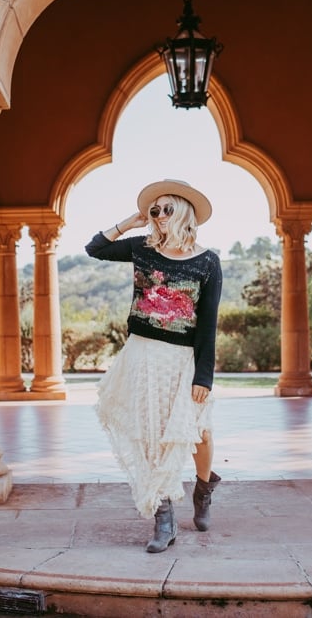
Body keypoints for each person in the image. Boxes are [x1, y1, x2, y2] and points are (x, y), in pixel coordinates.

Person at [85, 178, 222, 553]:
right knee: (151, 434)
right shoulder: (143, 249)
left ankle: (204, 486)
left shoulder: (208, 262)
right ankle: (164, 519)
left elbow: (208, 323)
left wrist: (203, 376)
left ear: (184, 212)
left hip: (183, 359)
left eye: (166, 209)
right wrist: (130, 222)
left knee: (198, 432)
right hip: (142, 355)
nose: (159, 217)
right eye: (154, 211)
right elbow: (95, 249)